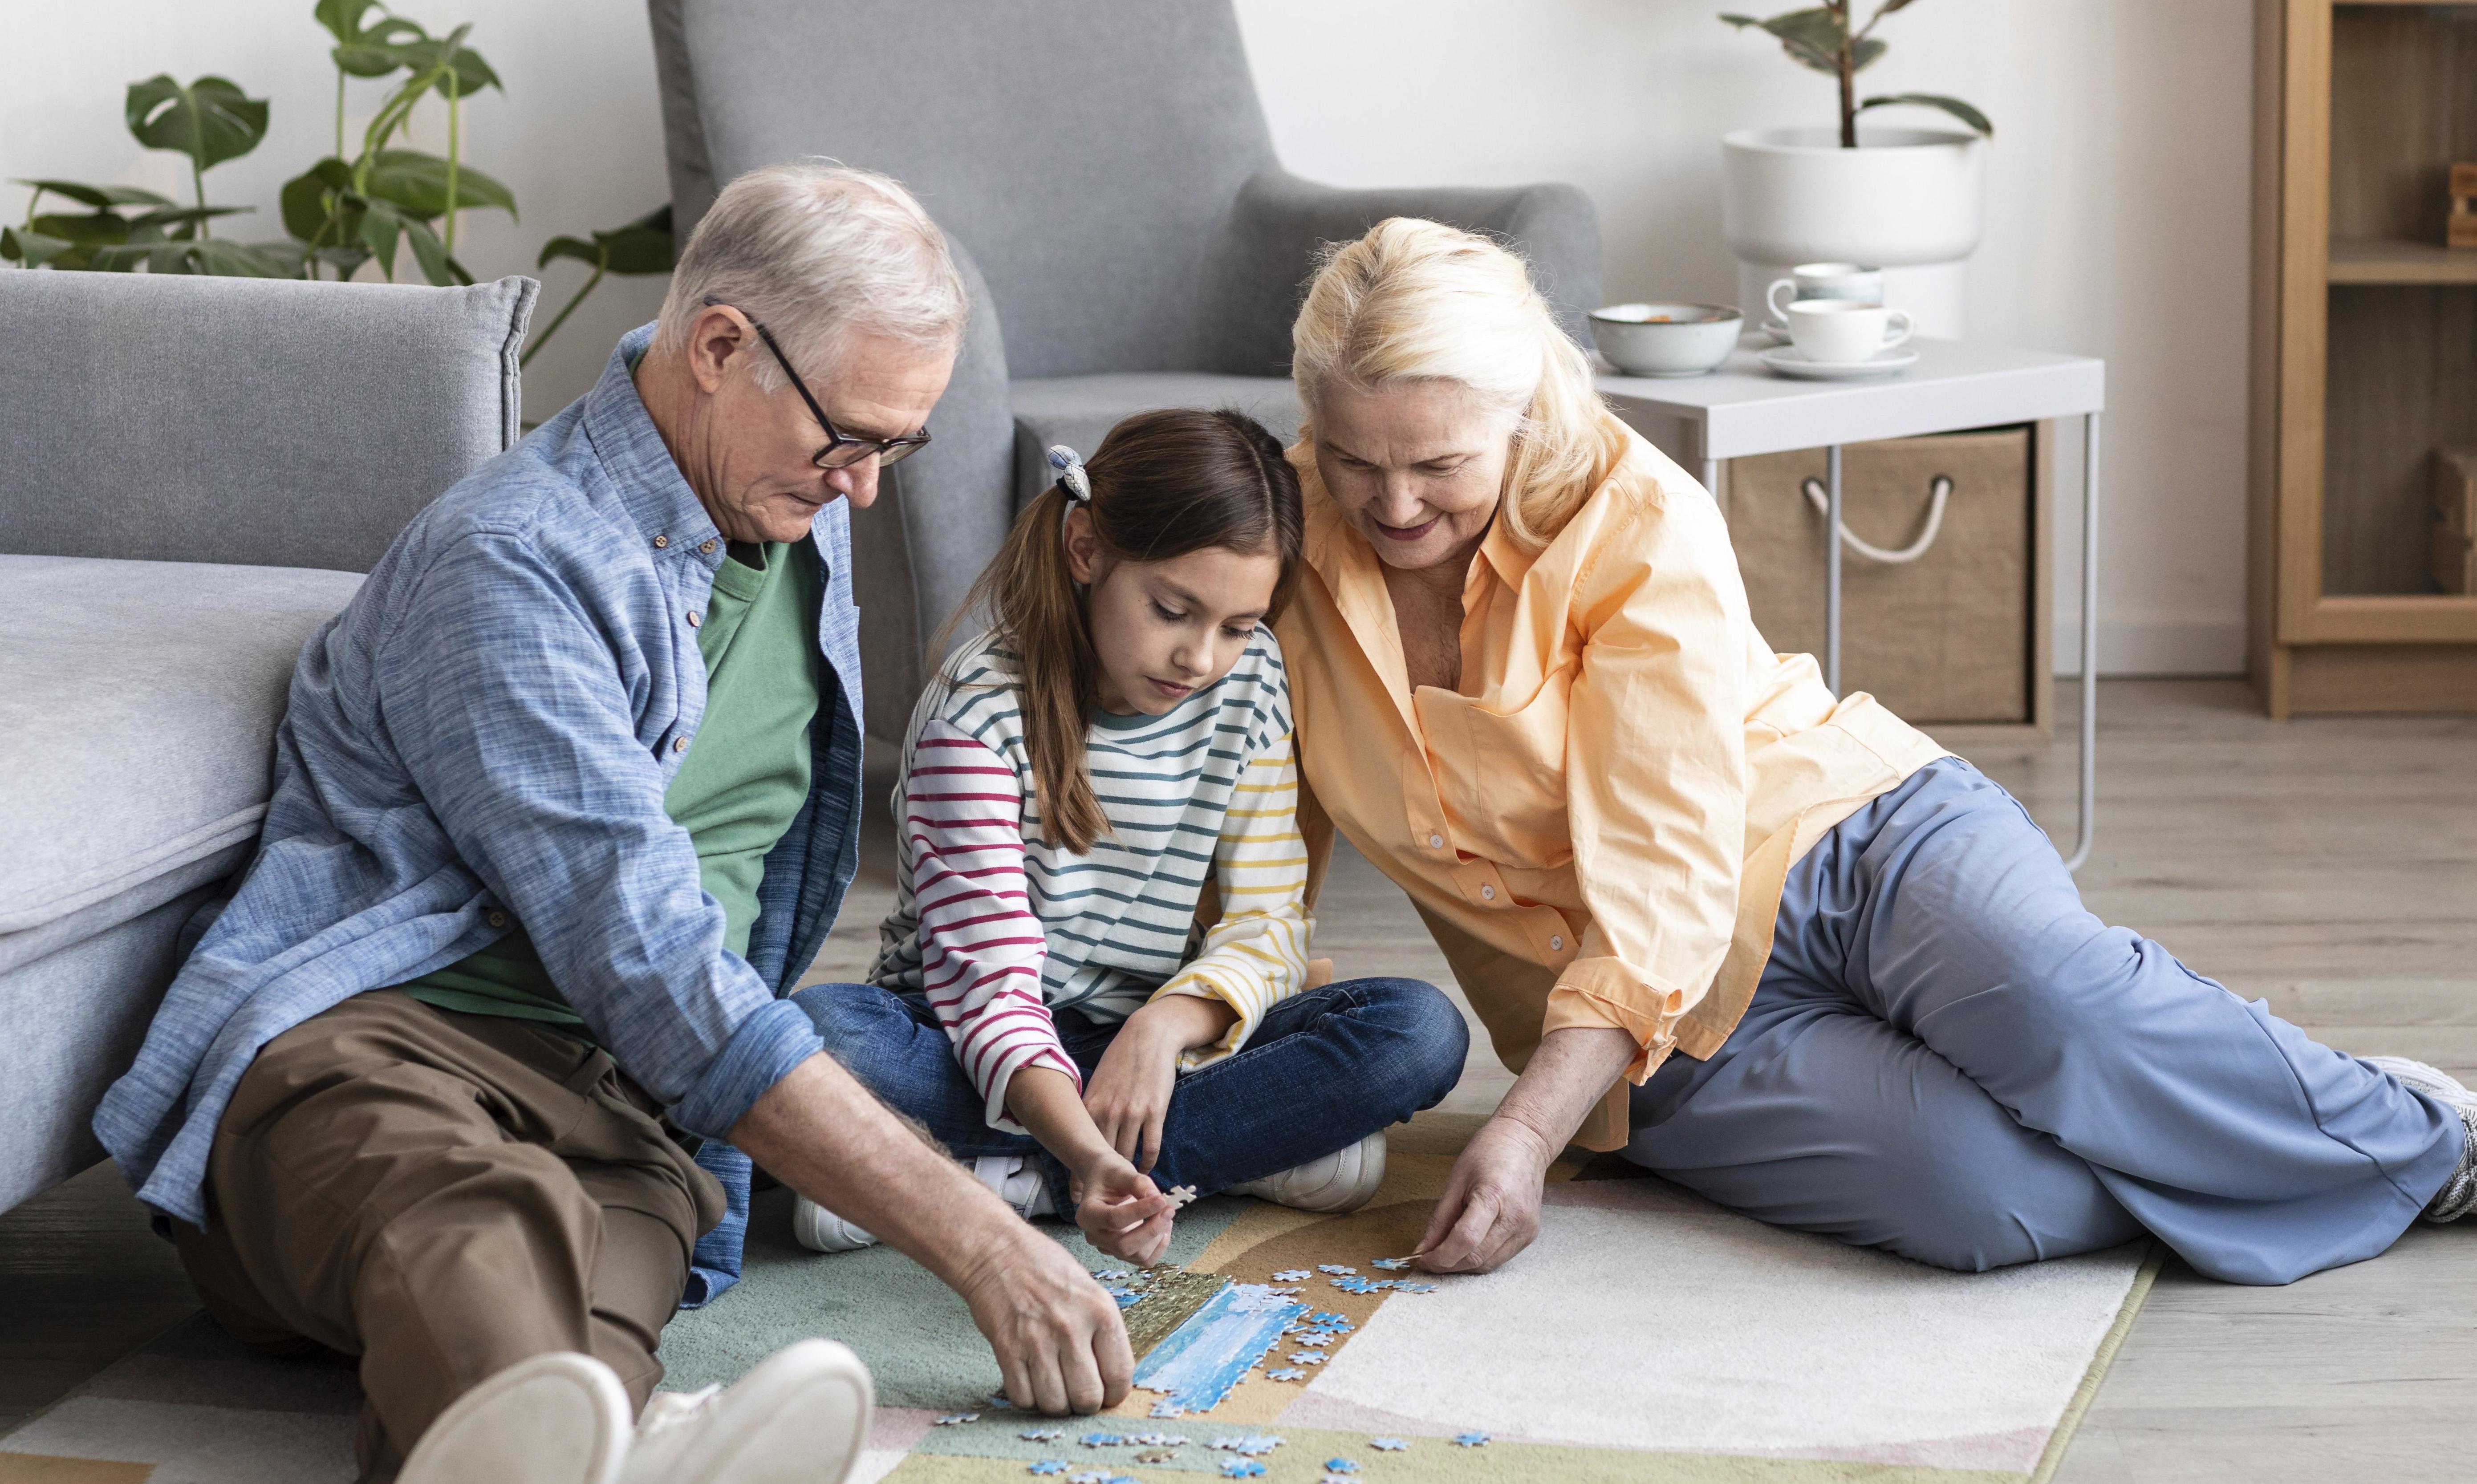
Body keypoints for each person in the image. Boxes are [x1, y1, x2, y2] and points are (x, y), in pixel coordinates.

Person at [92, 164, 1133, 1484]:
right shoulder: (515, 559)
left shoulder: (780, 506)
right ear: (718, 348)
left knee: (588, 1323)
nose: (866, 488)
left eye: (895, 447)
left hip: (631, 1114)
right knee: (488, 1216)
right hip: (378, 1051)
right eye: (853, 439)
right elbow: (643, 953)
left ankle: (617, 1448)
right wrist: (981, 1238)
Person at [1271, 216, 2477, 1286]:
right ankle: (2227, 1100)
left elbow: (1663, 867)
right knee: (1979, 1195)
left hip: (1840, 835)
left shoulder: (1632, 516)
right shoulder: (1273, 540)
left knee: (2060, 1014)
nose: (1392, 507)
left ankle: (2419, 1136)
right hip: (1653, 1036)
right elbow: (1252, 823)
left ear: (1523, 414)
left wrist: (1525, 1132)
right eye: (1352, 459)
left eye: (1439, 466)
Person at [793, 409, 1469, 1269]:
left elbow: (1268, 923)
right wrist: (1086, 1154)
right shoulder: (977, 716)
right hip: (968, 1037)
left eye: (1235, 624)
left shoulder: (1251, 679)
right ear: (1086, 550)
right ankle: (1182, 1163)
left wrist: (1160, 1030)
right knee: (823, 1036)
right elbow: (989, 990)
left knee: (1418, 1029)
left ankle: (974, 1175)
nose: (1200, 658)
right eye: (1173, 610)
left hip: (1153, 1048)